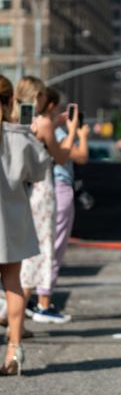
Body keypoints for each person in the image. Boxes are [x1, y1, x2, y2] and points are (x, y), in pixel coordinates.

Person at [15, 77, 78, 325]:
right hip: (42, 188)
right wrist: (71, 130)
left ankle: (15, 316)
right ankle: (25, 309)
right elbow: (61, 156)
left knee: (21, 250)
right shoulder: (42, 123)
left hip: (20, 189)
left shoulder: (17, 121)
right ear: (37, 97)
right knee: (42, 248)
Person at [0, 75, 50, 375]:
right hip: (11, 220)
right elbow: (40, 172)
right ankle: (13, 352)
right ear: (10, 102)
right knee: (13, 284)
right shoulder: (20, 136)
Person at [47, 88, 89, 302]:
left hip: (48, 188)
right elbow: (77, 156)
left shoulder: (45, 127)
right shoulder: (52, 131)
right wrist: (79, 135)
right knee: (55, 246)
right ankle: (43, 299)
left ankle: (39, 298)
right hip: (58, 187)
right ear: (53, 108)